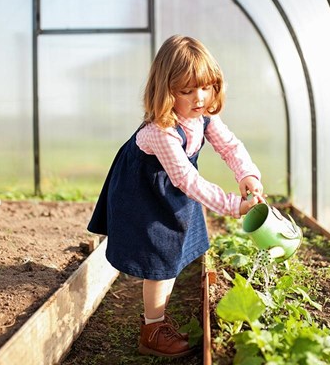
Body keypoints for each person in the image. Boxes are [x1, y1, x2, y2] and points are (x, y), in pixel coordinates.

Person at [88, 35, 265, 358]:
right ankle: (152, 330)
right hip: (144, 196)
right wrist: (231, 206)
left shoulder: (203, 116)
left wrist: (247, 175)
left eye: (206, 87)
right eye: (186, 90)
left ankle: (157, 318)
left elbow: (229, 145)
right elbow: (186, 179)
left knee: (174, 252)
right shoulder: (161, 131)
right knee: (160, 259)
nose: (199, 98)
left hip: (169, 190)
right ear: (166, 91)